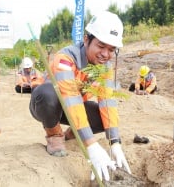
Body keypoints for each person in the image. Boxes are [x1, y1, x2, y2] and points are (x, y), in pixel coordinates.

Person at [29, 11, 131, 181]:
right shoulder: (66, 58)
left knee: (101, 116)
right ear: (86, 39)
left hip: (74, 108)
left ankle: (72, 134)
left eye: (111, 49)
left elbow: (108, 102)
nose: (106, 54)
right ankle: (54, 134)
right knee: (47, 94)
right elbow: (70, 98)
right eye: (101, 46)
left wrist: (115, 142)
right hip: (47, 105)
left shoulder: (105, 67)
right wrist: (90, 144)